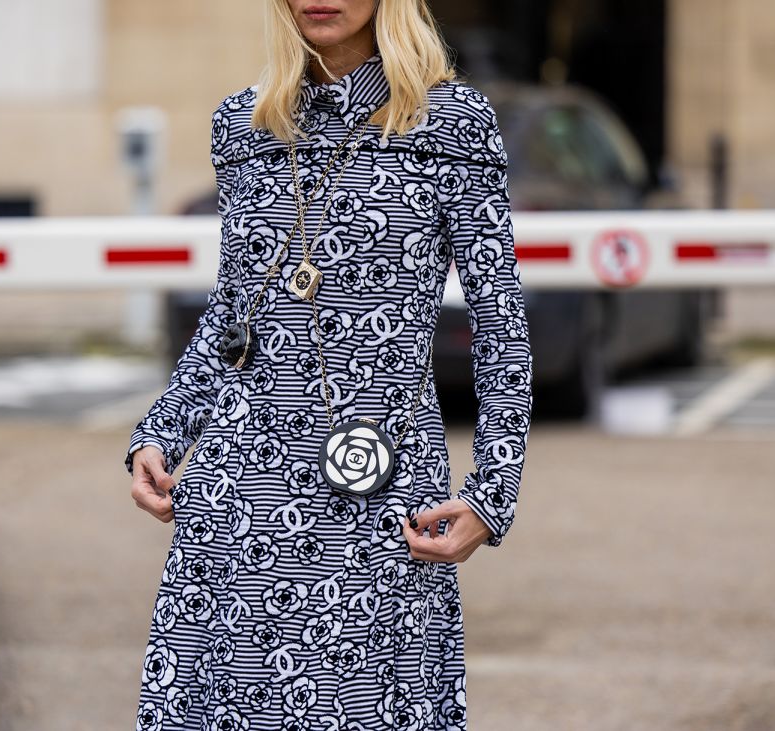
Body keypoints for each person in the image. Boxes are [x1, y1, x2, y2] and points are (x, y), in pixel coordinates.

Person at [124, 0, 533, 727]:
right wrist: (161, 433)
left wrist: (490, 497)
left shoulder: (451, 125)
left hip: (381, 498)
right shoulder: (243, 127)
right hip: (236, 503)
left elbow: (500, 324)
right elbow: (231, 315)